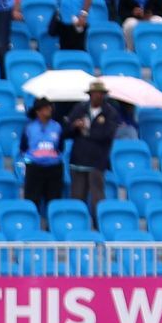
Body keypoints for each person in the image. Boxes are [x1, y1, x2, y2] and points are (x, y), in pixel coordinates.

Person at [66, 80, 117, 219]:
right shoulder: (79, 109)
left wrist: (87, 131)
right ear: (90, 94)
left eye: (100, 94)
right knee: (77, 196)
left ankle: (98, 225)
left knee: (97, 197)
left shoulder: (109, 113)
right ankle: (77, 224)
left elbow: (107, 135)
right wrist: (75, 126)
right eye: (95, 93)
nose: (97, 96)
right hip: (78, 159)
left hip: (97, 161)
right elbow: (67, 131)